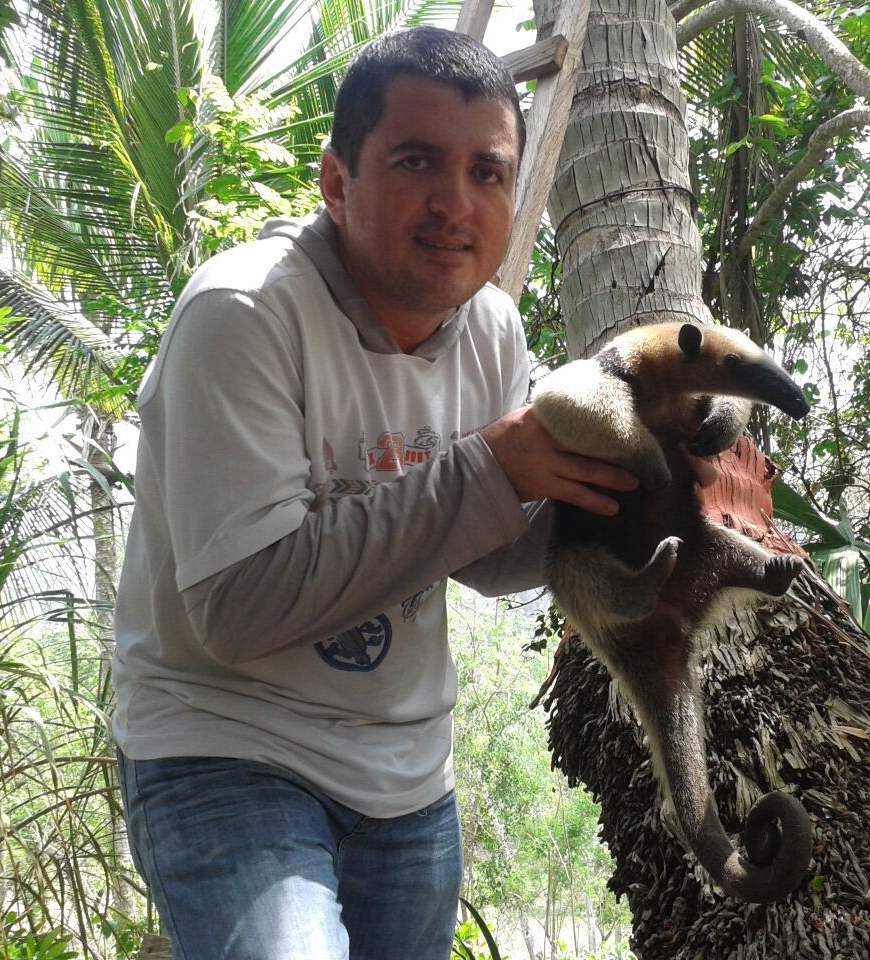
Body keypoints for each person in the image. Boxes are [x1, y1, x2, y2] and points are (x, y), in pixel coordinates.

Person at [110, 26, 641, 960]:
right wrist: (490, 468)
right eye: (416, 162)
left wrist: (612, 499)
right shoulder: (242, 317)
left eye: (488, 173)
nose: (455, 204)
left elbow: (480, 557)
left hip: (406, 777)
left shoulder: (492, 330)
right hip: (224, 745)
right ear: (336, 181)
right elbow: (237, 606)